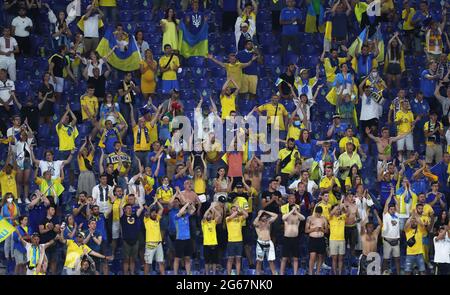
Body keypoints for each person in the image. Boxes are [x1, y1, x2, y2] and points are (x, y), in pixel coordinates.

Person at [280, 205, 305, 275]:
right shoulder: (287, 216)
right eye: (294, 209)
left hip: (295, 239)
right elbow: (283, 218)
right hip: (287, 239)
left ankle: (295, 273)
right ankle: (281, 273)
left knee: (295, 258)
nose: (296, 210)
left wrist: (296, 212)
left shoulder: (298, 217)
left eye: (297, 209)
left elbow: (303, 218)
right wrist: (291, 211)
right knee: (284, 258)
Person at [173, 201, 196, 275]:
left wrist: (190, 203)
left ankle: (188, 273)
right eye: (185, 210)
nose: (186, 211)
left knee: (187, 258)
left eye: (186, 210)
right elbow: (181, 212)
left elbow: (194, 209)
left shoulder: (187, 216)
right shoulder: (176, 217)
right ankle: (175, 273)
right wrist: (186, 204)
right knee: (177, 258)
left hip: (187, 239)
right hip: (179, 240)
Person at [381, 190, 401, 275]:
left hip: (396, 241)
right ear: (388, 210)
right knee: (385, 259)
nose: (392, 210)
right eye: (391, 209)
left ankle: (398, 273)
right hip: (387, 241)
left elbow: (398, 204)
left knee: (397, 259)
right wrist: (390, 195)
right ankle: (383, 273)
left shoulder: (397, 215)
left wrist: (394, 196)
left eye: (393, 209)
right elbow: (386, 203)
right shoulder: (386, 215)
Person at [143, 199, 165, 275]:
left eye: (155, 212)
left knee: (161, 262)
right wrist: (152, 204)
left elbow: (162, 209)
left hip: (159, 244)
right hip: (150, 244)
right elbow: (147, 213)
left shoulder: (157, 219)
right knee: (148, 263)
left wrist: (157, 201)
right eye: (153, 213)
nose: (154, 214)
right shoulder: (146, 219)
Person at [253, 209, 278, 275]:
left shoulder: (268, 222)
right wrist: (259, 214)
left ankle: (274, 274)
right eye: (263, 216)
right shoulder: (257, 223)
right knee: (259, 261)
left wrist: (266, 211)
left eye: (265, 216)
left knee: (271, 261)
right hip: (260, 243)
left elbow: (276, 215)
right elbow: (254, 223)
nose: (264, 217)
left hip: (269, 242)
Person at [358, 208, 382, 275]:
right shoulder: (363, 235)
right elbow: (362, 225)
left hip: (374, 257)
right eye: (369, 227)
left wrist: (376, 215)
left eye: (371, 227)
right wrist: (367, 215)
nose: (370, 228)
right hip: (365, 257)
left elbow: (380, 225)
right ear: (366, 228)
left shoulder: (375, 234)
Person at [226, 205, 248, 275]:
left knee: (238, 260)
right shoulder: (228, 219)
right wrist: (237, 211)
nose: (234, 211)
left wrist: (240, 208)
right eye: (233, 210)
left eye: (235, 210)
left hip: (239, 241)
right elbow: (233, 215)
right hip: (231, 242)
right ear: (230, 211)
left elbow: (246, 215)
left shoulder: (239, 218)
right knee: (230, 260)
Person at [305, 206, 328, 275]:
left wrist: (321, 229)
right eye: (317, 213)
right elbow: (306, 230)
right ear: (315, 212)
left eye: (320, 214)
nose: (318, 215)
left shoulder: (324, 219)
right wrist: (314, 229)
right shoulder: (309, 218)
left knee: (320, 257)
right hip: (312, 239)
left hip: (321, 239)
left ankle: (317, 272)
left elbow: (326, 231)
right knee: (312, 256)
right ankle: (310, 272)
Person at [279, 0, 301, 65]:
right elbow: (281, 22)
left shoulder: (297, 10)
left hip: (295, 34)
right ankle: (283, 64)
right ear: (286, 2)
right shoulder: (283, 10)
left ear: (294, 2)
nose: (290, 2)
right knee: (284, 50)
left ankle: (296, 64)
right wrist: (291, 21)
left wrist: (297, 19)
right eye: (288, 1)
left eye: (292, 1)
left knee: (296, 49)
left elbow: (300, 22)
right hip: (285, 34)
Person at [201, 206, 220, 275]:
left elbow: (219, 215)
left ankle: (214, 273)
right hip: (206, 244)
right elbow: (204, 216)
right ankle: (207, 273)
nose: (208, 215)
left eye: (210, 214)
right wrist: (209, 209)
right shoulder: (204, 222)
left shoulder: (213, 222)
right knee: (207, 261)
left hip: (214, 243)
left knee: (214, 261)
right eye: (208, 214)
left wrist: (214, 209)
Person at [329, 203, 347, 275]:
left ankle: (339, 273)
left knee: (341, 259)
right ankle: (335, 273)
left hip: (342, 240)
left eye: (339, 210)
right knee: (334, 259)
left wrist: (343, 207)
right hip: (333, 240)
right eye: (337, 209)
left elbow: (348, 213)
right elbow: (331, 213)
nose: (338, 211)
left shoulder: (342, 217)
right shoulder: (330, 217)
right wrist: (336, 207)